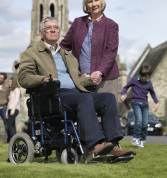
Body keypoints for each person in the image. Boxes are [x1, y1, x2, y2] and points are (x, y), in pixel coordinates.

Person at [18, 17, 135, 162]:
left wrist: (90, 79)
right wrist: (43, 79)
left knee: (108, 98)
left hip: (76, 94)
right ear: (41, 33)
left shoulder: (67, 55)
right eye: (49, 28)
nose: (53, 30)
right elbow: (23, 78)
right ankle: (94, 146)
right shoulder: (32, 53)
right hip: (53, 96)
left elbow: (77, 78)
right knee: (84, 98)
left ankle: (114, 146)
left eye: (56, 27)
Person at [60, 0, 120, 101]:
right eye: (90, 1)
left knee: (105, 115)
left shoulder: (111, 25)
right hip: (82, 79)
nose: (94, 4)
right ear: (86, 6)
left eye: (96, 0)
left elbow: (111, 51)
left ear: (101, 2)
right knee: (85, 114)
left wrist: (99, 72)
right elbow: (64, 46)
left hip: (106, 79)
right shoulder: (78, 23)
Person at [121, 64, 159, 148]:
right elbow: (126, 87)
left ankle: (142, 140)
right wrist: (123, 94)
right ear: (140, 74)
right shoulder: (134, 80)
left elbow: (153, 93)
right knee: (139, 120)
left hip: (145, 105)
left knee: (145, 123)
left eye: (146, 76)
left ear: (149, 76)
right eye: (142, 76)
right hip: (135, 103)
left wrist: (157, 102)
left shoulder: (149, 83)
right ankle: (135, 138)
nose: (144, 78)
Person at [0, 72, 10, 142]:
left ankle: (9, 139)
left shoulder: (7, 86)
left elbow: (10, 97)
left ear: (4, 79)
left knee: (6, 125)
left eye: (1, 78)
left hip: (4, 107)